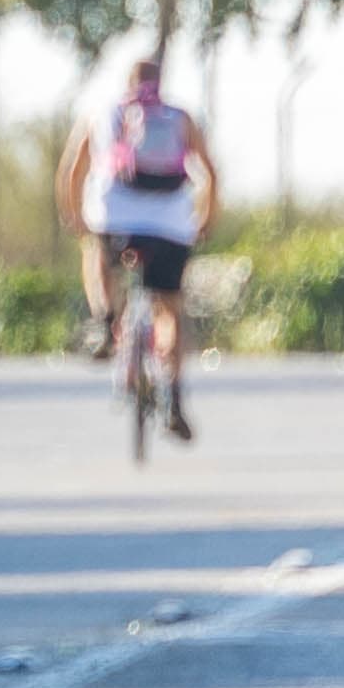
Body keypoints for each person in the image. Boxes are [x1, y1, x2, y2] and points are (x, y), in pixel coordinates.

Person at [58, 55, 216, 440]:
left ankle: (104, 321)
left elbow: (72, 170)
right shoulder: (180, 118)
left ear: (127, 82)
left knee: (95, 249)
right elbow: (209, 173)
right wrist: (204, 220)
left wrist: (75, 217)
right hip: (171, 224)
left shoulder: (102, 113)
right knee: (171, 308)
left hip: (116, 216)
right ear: (159, 83)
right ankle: (175, 397)